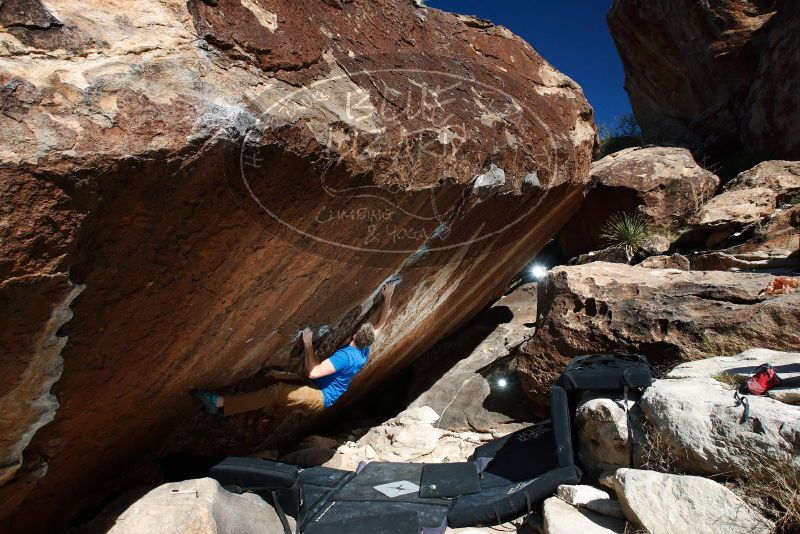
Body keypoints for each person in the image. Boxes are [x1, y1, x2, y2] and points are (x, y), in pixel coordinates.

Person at [193, 283, 395, 417]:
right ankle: (227, 410)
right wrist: (387, 298)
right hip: (320, 390)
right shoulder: (363, 351)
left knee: (275, 392)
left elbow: (313, 371)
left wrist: (308, 343)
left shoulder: (346, 357)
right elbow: (380, 325)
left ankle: (219, 404)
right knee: (273, 379)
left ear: (353, 336)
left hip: (320, 396)